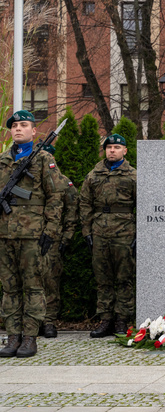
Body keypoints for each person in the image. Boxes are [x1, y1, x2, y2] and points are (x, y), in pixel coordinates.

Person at [0, 110, 63, 357]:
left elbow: (56, 197)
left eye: (23, 125)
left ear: (34, 131)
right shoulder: (3, 160)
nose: (18, 129)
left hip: (32, 234)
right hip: (4, 234)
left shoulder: (43, 159)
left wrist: (51, 230)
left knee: (34, 287)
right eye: (14, 125)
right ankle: (12, 336)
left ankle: (29, 338)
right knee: (10, 287)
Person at [78, 134, 137, 338]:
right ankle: (106, 319)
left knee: (124, 278)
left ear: (125, 151)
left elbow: (143, 205)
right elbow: (84, 204)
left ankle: (122, 319)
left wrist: (138, 233)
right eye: (109, 147)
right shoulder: (94, 175)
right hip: (99, 232)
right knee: (103, 279)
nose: (112, 150)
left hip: (124, 232)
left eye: (116, 147)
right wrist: (87, 231)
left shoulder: (132, 176)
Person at [39, 145, 78, 339]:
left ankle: (49, 322)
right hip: (29, 234)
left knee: (50, 281)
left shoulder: (64, 183)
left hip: (52, 238)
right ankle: (32, 320)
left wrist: (67, 237)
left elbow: (71, 214)